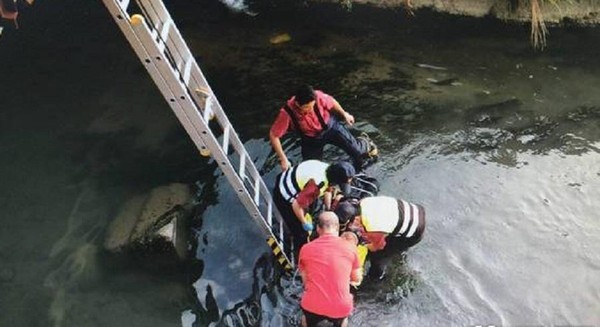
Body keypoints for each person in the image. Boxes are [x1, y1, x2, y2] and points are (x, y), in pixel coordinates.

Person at [270, 84, 377, 172]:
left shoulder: (318, 96)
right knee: (312, 170)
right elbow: (274, 135)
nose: (311, 110)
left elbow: (332, 102)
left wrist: (344, 114)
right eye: (307, 108)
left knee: (357, 151)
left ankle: (365, 142)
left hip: (331, 128)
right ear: (298, 104)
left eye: (312, 106)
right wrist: (283, 158)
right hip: (310, 139)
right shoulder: (287, 112)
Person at [334, 195, 426, 280]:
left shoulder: (371, 226)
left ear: (356, 218)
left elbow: (378, 246)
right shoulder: (364, 202)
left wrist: (362, 243)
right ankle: (398, 253)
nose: (350, 226)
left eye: (350, 223)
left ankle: (376, 278)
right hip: (413, 210)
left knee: (378, 255)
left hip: (414, 231)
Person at [273, 160, 356, 252]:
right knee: (301, 233)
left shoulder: (327, 168)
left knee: (310, 205)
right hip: (283, 194)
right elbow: (296, 205)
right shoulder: (316, 185)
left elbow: (328, 190)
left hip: (286, 178)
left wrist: (328, 209)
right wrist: (304, 223)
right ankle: (300, 252)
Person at [298, 212, 362, 327]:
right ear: (338, 228)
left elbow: (305, 281)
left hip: (312, 305)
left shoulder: (305, 249)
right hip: (340, 307)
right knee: (343, 320)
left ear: (318, 228)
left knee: (305, 319)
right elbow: (356, 278)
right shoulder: (351, 248)